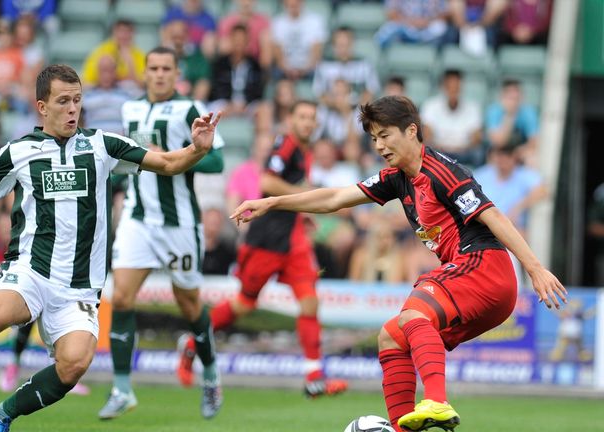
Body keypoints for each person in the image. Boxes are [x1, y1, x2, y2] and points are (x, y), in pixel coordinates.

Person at [0, 63, 222, 432]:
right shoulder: (18, 152)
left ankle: (3, 412)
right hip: (31, 269)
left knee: (74, 365)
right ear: (42, 107)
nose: (73, 109)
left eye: (77, 100)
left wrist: (196, 150)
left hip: (78, 286)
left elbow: (168, 163)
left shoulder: (103, 145)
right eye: (63, 101)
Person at [229, 95, 567, 432]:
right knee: (391, 336)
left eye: (385, 135)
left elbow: (493, 216)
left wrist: (535, 269)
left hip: (485, 269)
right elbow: (334, 197)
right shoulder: (396, 178)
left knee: (415, 310)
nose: (379, 145)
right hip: (477, 286)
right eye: (374, 138)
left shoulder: (443, 172)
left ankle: (436, 401)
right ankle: (402, 429)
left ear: (411, 131)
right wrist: (273, 202)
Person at [181, 100, 349, 399]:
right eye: (303, 116)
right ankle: (192, 344)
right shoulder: (285, 145)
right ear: (291, 119)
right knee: (244, 305)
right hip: (266, 240)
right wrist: (305, 196)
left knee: (309, 302)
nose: (308, 122)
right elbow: (268, 181)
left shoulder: (304, 150)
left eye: (313, 117)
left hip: (293, 240)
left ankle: (314, 377)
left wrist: (303, 213)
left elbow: (288, 187)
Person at [98, 46, 225, 421]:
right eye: (152, 68)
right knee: (120, 298)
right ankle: (122, 388)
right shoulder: (129, 108)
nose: (158, 74)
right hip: (138, 219)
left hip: (179, 224)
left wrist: (172, 154)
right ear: (145, 72)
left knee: (188, 305)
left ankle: (211, 377)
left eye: (165, 68)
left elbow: (215, 160)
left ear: (176, 73)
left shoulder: (188, 109)